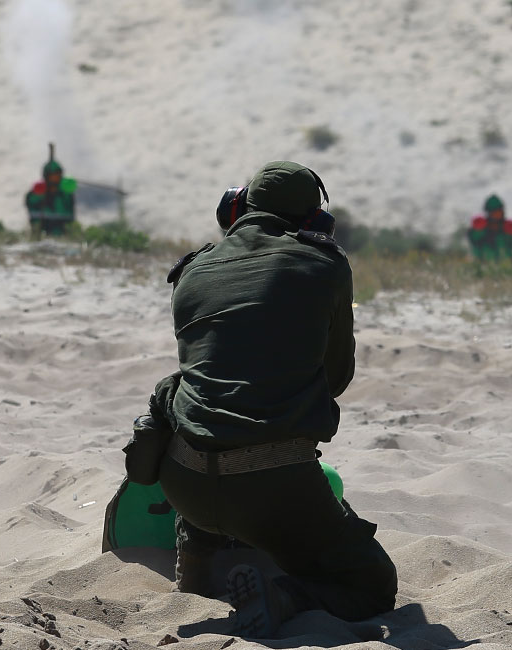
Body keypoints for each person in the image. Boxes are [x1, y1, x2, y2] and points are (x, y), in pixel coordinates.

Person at [132, 161, 396, 637]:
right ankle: (285, 597)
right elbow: (335, 379)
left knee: (193, 397)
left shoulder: (192, 271)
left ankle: (192, 572)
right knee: (374, 583)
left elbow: (212, 374)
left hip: (183, 483)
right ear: (314, 221)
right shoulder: (325, 264)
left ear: (236, 208)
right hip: (274, 490)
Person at [25, 148, 77, 235]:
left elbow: (70, 216)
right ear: (46, 176)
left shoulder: (65, 195)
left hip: (63, 234)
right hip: (41, 233)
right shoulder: (36, 194)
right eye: (52, 176)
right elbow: (31, 205)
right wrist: (39, 195)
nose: (55, 179)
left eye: (57, 175)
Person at [467, 194, 512, 263]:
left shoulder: (506, 227)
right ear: (489, 213)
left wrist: (510, 233)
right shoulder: (481, 228)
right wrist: (477, 230)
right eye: (494, 212)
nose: (497, 215)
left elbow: (511, 246)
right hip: (485, 266)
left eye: (499, 211)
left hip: (506, 265)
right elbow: (473, 239)